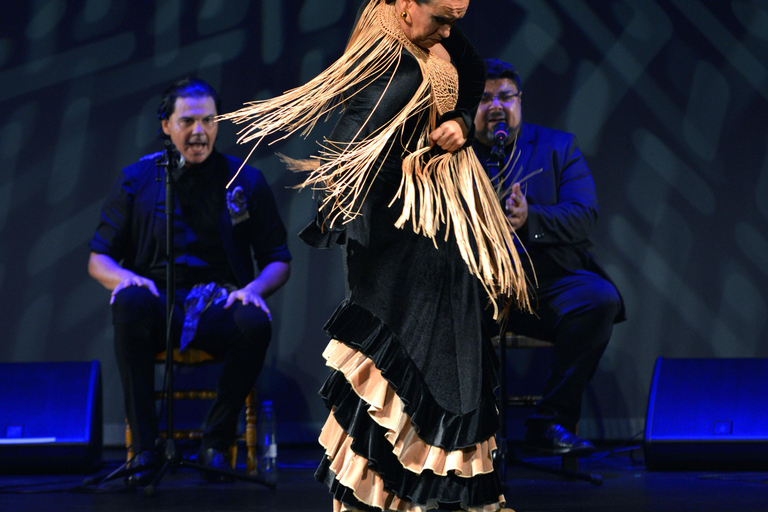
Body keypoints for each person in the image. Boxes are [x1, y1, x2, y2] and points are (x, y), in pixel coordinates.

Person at [220, 1, 526, 510]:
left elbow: (470, 70)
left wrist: (461, 123)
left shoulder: (426, 35)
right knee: (396, 365)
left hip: (437, 227)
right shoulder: (386, 58)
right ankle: (387, 499)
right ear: (406, 7)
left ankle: (444, 496)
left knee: (447, 353)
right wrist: (355, 211)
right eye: (442, 20)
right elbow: (352, 141)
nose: (450, 32)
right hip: (396, 235)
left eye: (456, 20)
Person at [88, 78, 291, 486]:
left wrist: (251, 292)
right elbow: (99, 258)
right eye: (188, 121)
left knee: (254, 323)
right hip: (158, 302)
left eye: (209, 121)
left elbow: (278, 260)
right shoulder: (137, 179)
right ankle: (145, 450)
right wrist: (125, 278)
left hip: (219, 301)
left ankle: (215, 443)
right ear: (166, 125)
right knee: (128, 305)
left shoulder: (244, 180)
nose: (199, 131)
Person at [473, 59, 625, 456]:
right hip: (477, 288)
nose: (496, 106)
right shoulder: (456, 155)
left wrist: (529, 219)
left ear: (519, 101)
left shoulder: (558, 147)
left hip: (544, 284)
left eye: (505, 96)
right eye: (485, 98)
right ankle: (472, 428)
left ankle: (551, 421)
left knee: (597, 298)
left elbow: (584, 214)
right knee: (436, 308)